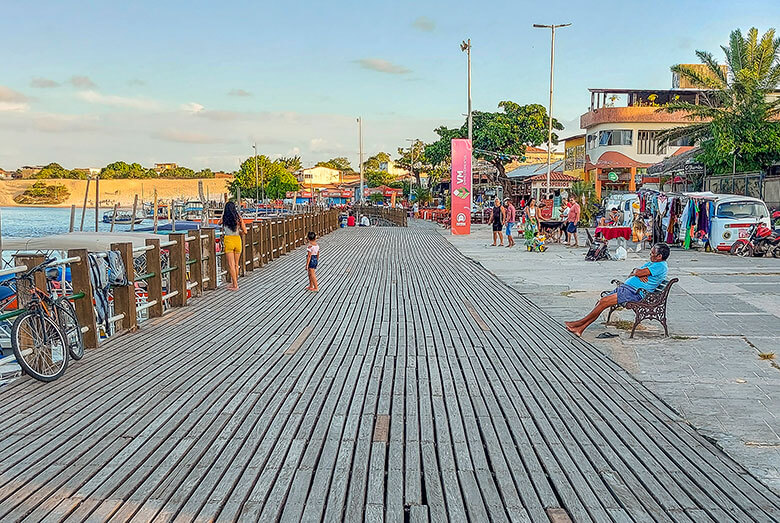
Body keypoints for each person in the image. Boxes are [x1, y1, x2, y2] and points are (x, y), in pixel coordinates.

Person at [565, 243, 670, 337]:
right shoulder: (652, 263)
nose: (650, 255)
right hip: (627, 288)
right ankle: (579, 327)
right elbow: (635, 271)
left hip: (635, 293)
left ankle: (579, 325)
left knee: (603, 302)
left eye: (652, 253)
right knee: (601, 302)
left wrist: (638, 273)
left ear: (659, 256)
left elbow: (637, 272)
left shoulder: (660, 266)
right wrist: (638, 273)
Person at [221, 201, 247, 291]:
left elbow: (218, 223)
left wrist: (223, 215)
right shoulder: (239, 218)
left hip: (229, 240)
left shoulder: (224, 218)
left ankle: (235, 285)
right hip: (237, 240)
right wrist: (239, 231)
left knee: (231, 265)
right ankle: (234, 283)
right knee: (236, 264)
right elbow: (245, 231)